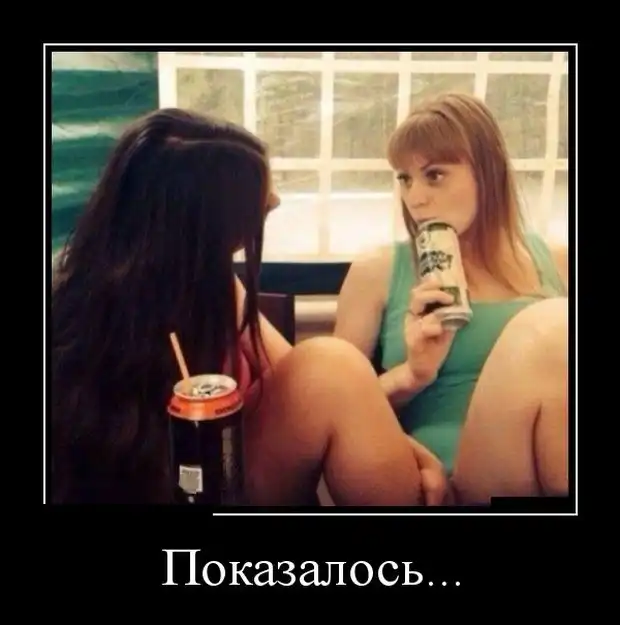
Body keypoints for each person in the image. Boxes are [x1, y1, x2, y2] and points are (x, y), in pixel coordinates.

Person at [51, 107, 430, 506]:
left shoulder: (216, 280)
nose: (275, 200)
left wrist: (405, 450)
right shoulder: (86, 321)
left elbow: (310, 380)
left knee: (333, 364)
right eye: (259, 207)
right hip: (159, 487)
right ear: (204, 223)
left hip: (235, 471)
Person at [334, 92, 569, 505]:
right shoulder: (377, 271)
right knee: (553, 326)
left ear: (488, 173)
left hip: (547, 464)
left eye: (435, 175)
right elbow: (333, 408)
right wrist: (413, 374)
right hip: (450, 474)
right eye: (405, 179)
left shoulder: (560, 263)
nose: (415, 198)